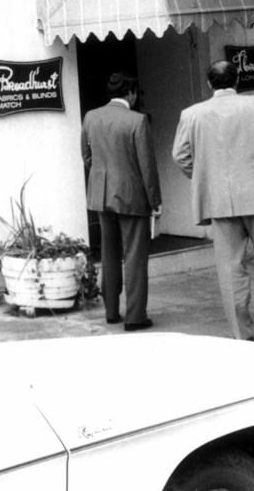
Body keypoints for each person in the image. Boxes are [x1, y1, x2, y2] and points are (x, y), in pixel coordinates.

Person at [172, 60, 254, 348]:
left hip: (219, 204)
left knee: (230, 268)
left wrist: (205, 178)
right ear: (236, 81)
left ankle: (244, 335)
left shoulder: (191, 115)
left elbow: (180, 156)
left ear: (210, 83)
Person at [81, 72, 162, 331]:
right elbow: (147, 166)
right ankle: (136, 316)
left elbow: (86, 156)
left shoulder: (91, 116)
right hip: (131, 195)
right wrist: (155, 200)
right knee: (135, 257)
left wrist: (102, 178)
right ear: (131, 93)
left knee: (109, 253)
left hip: (101, 195)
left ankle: (112, 311)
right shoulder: (137, 120)